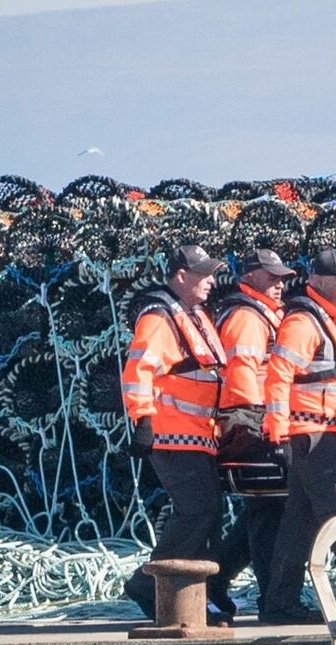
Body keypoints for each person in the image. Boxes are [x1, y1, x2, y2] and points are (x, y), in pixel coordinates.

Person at [261, 248, 336, 624]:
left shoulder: (334, 318)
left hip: (326, 433)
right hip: (310, 434)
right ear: (321, 282)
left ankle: (279, 602)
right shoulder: (304, 323)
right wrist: (277, 432)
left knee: (299, 521)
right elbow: (278, 376)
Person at [120, 245, 229, 621]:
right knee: (197, 511)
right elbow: (138, 370)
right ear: (181, 276)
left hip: (198, 435)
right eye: (205, 273)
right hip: (170, 434)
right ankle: (151, 585)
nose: (213, 280)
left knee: (208, 515)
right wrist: (143, 420)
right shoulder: (159, 317)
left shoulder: (193, 315)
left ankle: (194, 599)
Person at [209, 248, 297, 620]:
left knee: (263, 508)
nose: (280, 285)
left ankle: (219, 577)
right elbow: (244, 374)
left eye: (281, 278)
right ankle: (272, 598)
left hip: (257, 418)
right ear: (251, 277)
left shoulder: (262, 315)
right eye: (272, 277)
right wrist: (262, 419)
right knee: (267, 508)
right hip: (251, 420)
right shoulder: (247, 317)